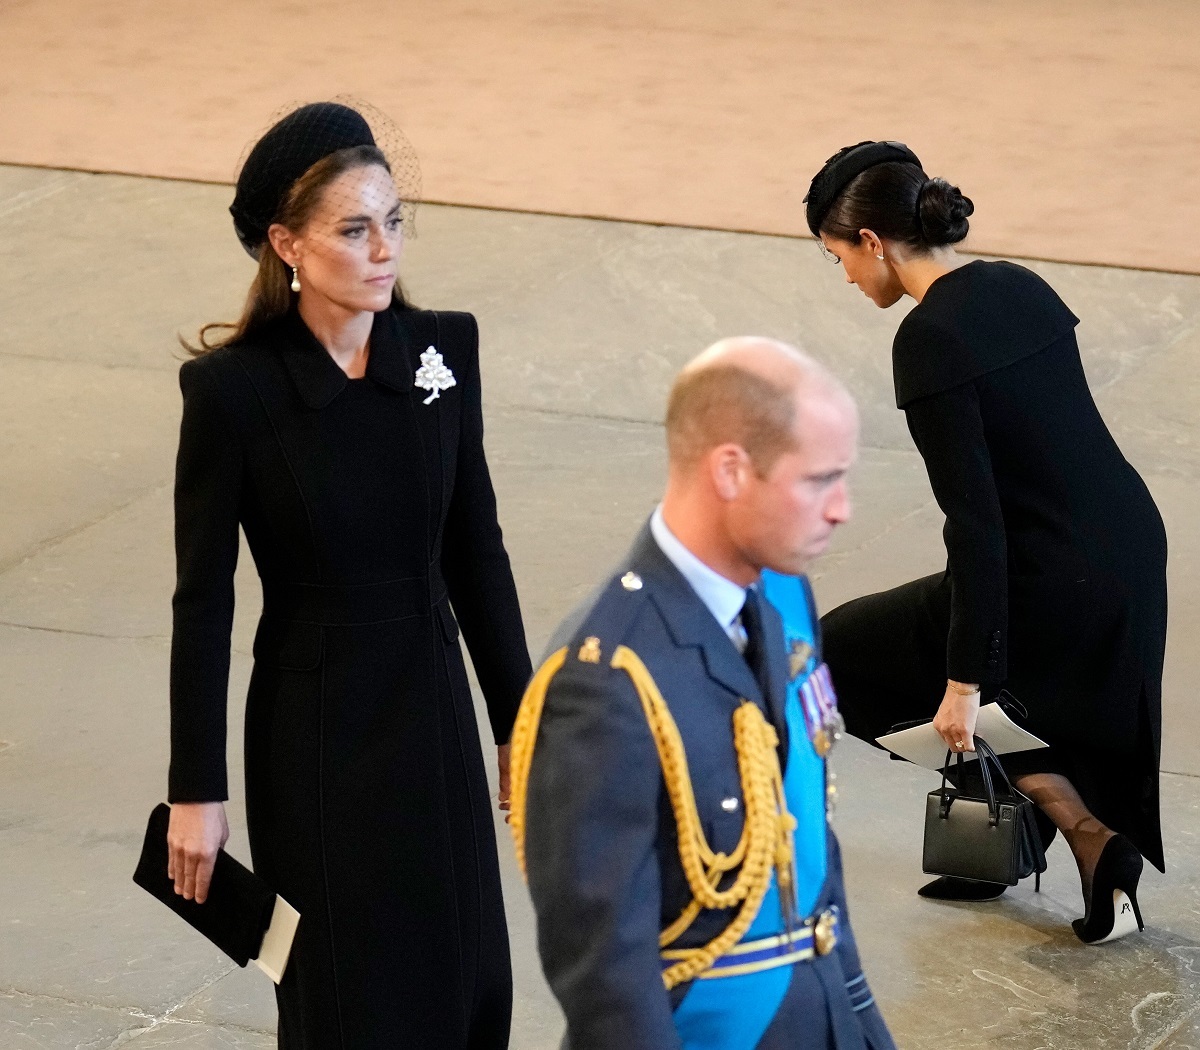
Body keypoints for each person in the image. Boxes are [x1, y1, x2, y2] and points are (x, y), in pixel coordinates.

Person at [163, 101, 532, 1048]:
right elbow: (202, 603)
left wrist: (516, 724)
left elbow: (475, 547)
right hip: (314, 729)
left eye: (394, 223)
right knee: (344, 993)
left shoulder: (444, 350)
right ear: (286, 243)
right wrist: (197, 791)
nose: (384, 250)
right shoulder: (233, 393)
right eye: (354, 229)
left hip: (433, 705)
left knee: (469, 975)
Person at [803, 140, 1168, 943]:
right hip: (1128, 545)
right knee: (1012, 691)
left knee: (831, 657)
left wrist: (967, 679)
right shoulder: (1016, 283)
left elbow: (977, 527)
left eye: (838, 258)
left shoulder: (928, 339)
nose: (847, 278)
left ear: (874, 242)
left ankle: (1086, 834)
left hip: (1047, 570)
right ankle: (1021, 841)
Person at [510, 338, 896, 1050]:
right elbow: (607, 978)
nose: (842, 509)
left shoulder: (781, 593)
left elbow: (806, 857)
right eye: (819, 481)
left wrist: (864, 1027)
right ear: (730, 471)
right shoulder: (604, 678)